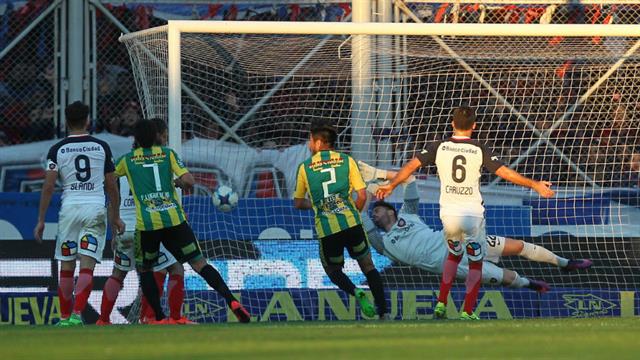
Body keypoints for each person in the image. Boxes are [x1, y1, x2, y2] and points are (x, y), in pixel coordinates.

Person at [376, 106, 555, 320]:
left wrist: (391, 185)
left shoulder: (438, 146)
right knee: (475, 264)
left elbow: (410, 167)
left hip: (449, 216)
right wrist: (534, 184)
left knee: (452, 256)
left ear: (452, 124)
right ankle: (467, 311)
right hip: (472, 216)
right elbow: (504, 172)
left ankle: (441, 303)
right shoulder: (478, 148)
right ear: (474, 126)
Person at [360, 161, 592, 295]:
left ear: (390, 210)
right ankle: (531, 284)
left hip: (454, 241)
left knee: (518, 246)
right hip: (450, 265)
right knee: (508, 278)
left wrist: (379, 176)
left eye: (378, 210)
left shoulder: (407, 214)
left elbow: (409, 180)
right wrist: (365, 190)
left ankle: (565, 263)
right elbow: (360, 213)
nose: (375, 214)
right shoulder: (383, 244)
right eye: (374, 213)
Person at [114, 119, 250, 324]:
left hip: (148, 225)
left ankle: (159, 317)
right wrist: (176, 182)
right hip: (175, 221)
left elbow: (110, 177)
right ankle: (231, 301)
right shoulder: (169, 155)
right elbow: (189, 181)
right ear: (157, 136)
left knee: (146, 270)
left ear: (136, 139)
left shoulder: (127, 160)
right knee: (200, 264)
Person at [34, 101, 124, 326]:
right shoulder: (101, 147)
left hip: (69, 210)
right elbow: (111, 185)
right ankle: (76, 315)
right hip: (94, 209)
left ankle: (64, 318)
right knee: (87, 264)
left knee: (66, 265)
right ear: (87, 121)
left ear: (66, 122)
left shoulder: (58, 149)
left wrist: (41, 220)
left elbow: (48, 186)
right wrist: (115, 215)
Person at [98, 118, 192, 325]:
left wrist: (115, 228)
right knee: (174, 268)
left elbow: (113, 197)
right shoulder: (159, 161)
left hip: (125, 228)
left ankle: (103, 320)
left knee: (118, 274)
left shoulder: (123, 163)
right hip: (148, 225)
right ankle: (168, 317)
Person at [293, 119, 389, 320]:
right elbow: (362, 196)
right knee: (369, 266)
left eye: (311, 141)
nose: (310, 145)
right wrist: (352, 213)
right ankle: (384, 313)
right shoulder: (347, 161)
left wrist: (318, 204)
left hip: (328, 229)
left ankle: (356, 292)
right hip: (352, 223)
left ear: (318, 143)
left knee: (332, 269)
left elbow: (298, 203)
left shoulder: (305, 167)